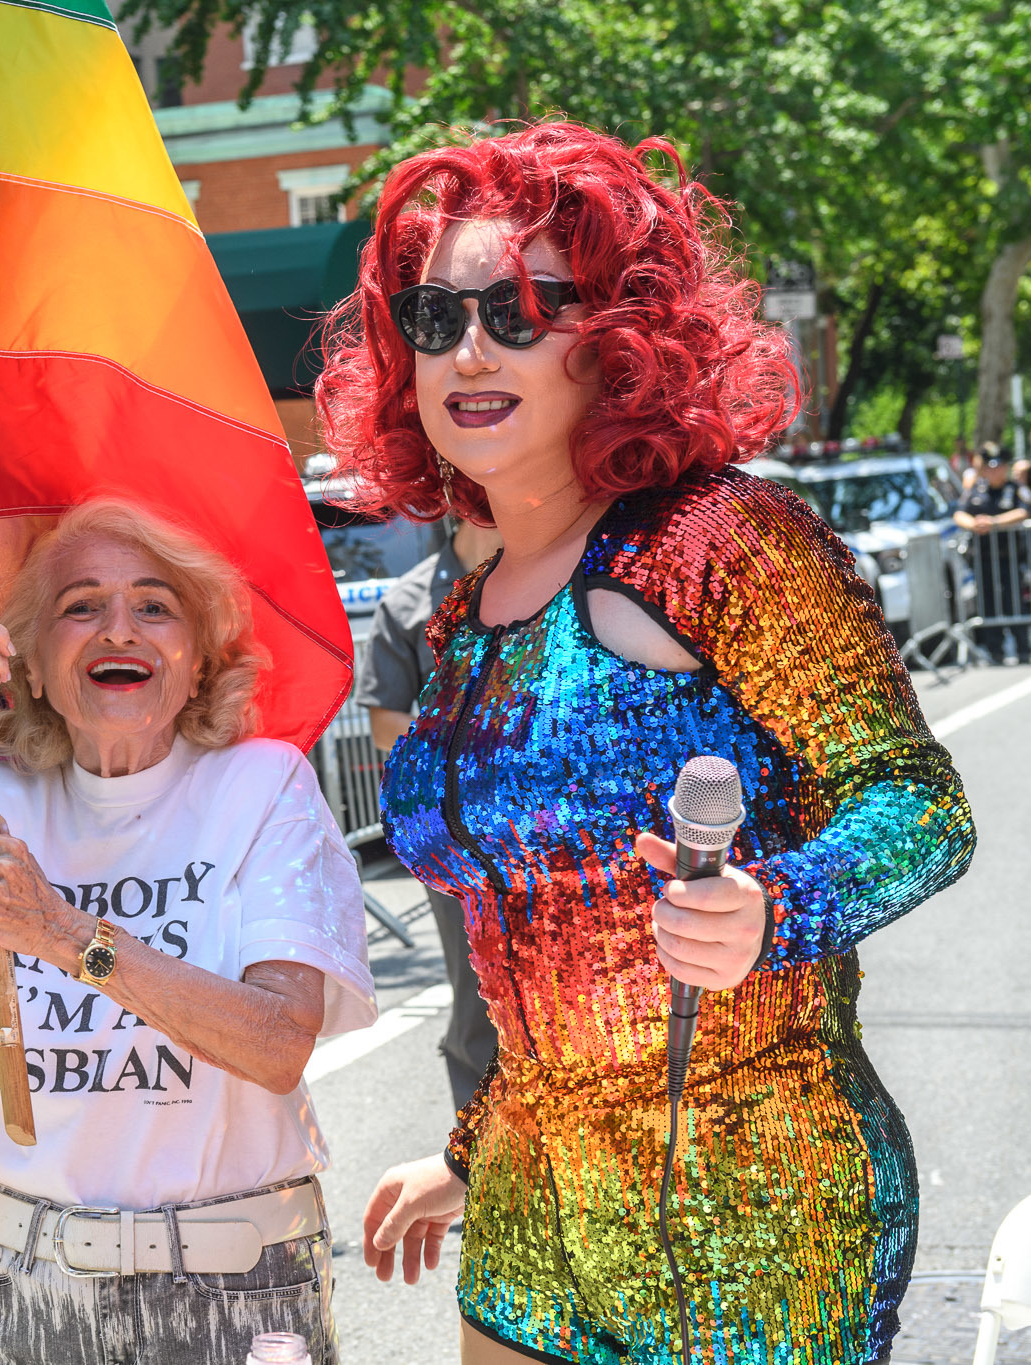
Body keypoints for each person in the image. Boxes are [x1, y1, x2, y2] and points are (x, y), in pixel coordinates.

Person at [319, 124, 975, 1364]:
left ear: (614, 335)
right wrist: (468, 1151)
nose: (469, 347)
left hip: (753, 1207)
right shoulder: (461, 620)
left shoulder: (721, 542)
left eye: (520, 309)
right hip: (535, 1209)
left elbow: (917, 803)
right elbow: (535, 961)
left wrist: (773, 907)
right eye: (434, 314)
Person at [0, 499, 378, 1365]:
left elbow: (278, 1042)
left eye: (156, 606)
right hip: (18, 1288)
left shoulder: (262, 788)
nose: (117, 628)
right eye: (80, 605)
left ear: (199, 661)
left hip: (240, 1286)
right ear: (35, 668)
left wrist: (61, 932)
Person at [351, 517, 502, 1115]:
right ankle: (482, 1164)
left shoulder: (563, 574)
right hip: (457, 836)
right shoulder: (409, 600)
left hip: (554, 825)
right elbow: (383, 721)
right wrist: (457, 745)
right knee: (478, 996)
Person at [955, 443, 1031, 666]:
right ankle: (995, 651)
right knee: (988, 603)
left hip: (1010, 556)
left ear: (1005, 467)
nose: (994, 471)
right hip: (983, 557)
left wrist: (994, 522)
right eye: (990, 467)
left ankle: (1023, 649)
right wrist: (974, 524)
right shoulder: (977, 489)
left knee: (1015, 602)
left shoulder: (1015, 488)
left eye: (998, 466)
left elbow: (1025, 510)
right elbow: (959, 513)